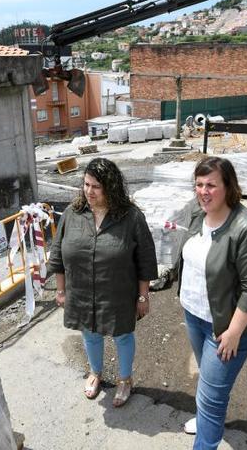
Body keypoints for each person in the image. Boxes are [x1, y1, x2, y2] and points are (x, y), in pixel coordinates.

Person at [176, 156, 247, 449]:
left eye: (211, 185)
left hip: (226, 328)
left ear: (228, 187)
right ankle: (208, 422)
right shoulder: (197, 213)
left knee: (211, 395)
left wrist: (233, 333)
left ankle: (206, 441)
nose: (203, 191)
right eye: (199, 184)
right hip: (195, 315)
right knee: (208, 382)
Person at [47, 157, 158, 407]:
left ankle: (125, 380)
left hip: (118, 293)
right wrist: (61, 290)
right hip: (83, 293)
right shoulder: (72, 214)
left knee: (123, 336)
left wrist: (143, 296)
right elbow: (57, 255)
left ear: (111, 186)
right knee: (90, 334)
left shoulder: (131, 217)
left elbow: (146, 260)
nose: (89, 191)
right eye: (86, 184)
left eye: (96, 186)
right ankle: (95, 372)